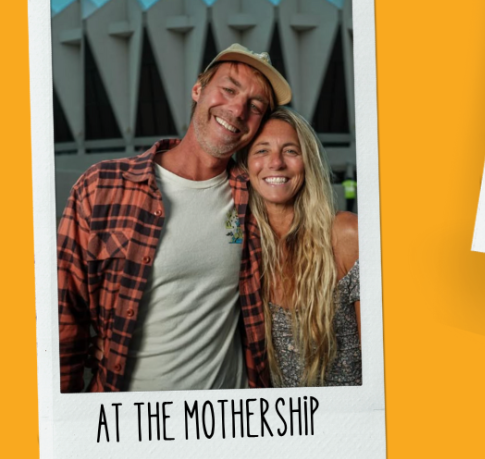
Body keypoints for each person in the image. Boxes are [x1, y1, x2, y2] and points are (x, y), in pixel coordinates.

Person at [57, 44, 292, 392]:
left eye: (255, 106)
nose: (238, 109)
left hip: (230, 426)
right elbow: (64, 317)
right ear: (198, 90)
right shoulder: (101, 186)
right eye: (228, 89)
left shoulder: (253, 197)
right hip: (132, 424)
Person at [242, 107, 360, 386]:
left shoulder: (346, 234)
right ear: (245, 165)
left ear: (307, 162)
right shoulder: (241, 247)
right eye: (261, 150)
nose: (276, 163)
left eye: (290, 151)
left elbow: (387, 364)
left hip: (349, 425)